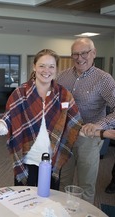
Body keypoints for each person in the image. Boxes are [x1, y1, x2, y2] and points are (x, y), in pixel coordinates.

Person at [0, 49, 82, 190]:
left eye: (51, 66)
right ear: (34, 67)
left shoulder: (64, 95)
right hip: (27, 159)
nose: (47, 70)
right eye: (42, 66)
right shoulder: (21, 93)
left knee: (48, 204)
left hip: (52, 161)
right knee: (24, 203)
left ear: (56, 69)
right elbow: (7, 122)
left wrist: (97, 131)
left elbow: (74, 124)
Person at [57, 37, 115, 204]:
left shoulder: (104, 79)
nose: (79, 57)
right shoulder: (63, 76)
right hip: (66, 136)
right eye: (75, 54)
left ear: (94, 53)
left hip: (89, 138)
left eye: (84, 53)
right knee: (63, 181)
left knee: (86, 184)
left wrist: (98, 125)